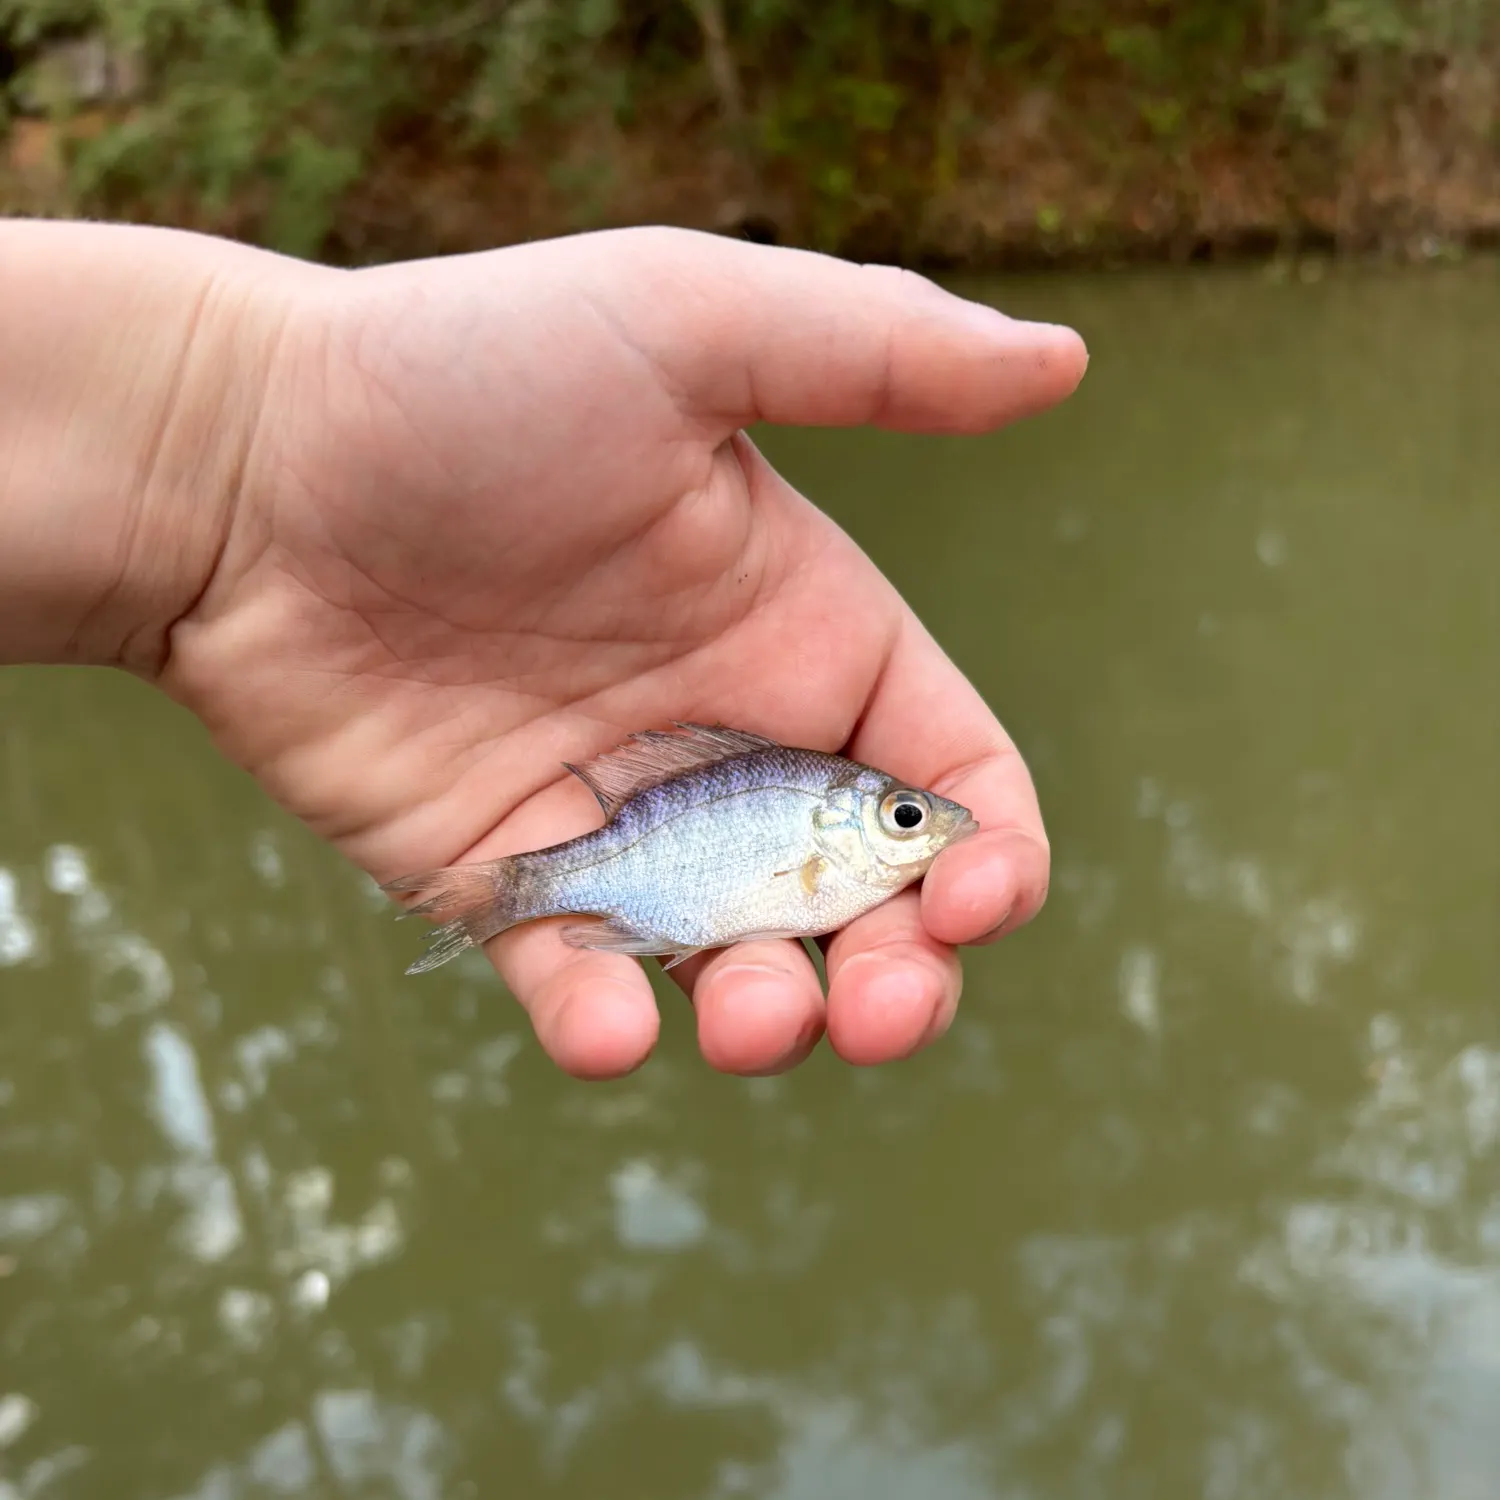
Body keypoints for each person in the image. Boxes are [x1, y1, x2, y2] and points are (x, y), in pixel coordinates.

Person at [0, 217, 1088, 1080]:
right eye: (904, 817)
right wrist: (232, 444)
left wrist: (228, 445)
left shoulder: (829, 840)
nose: (922, 826)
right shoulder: (826, 845)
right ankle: (517, 890)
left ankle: (517, 891)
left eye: (909, 816)